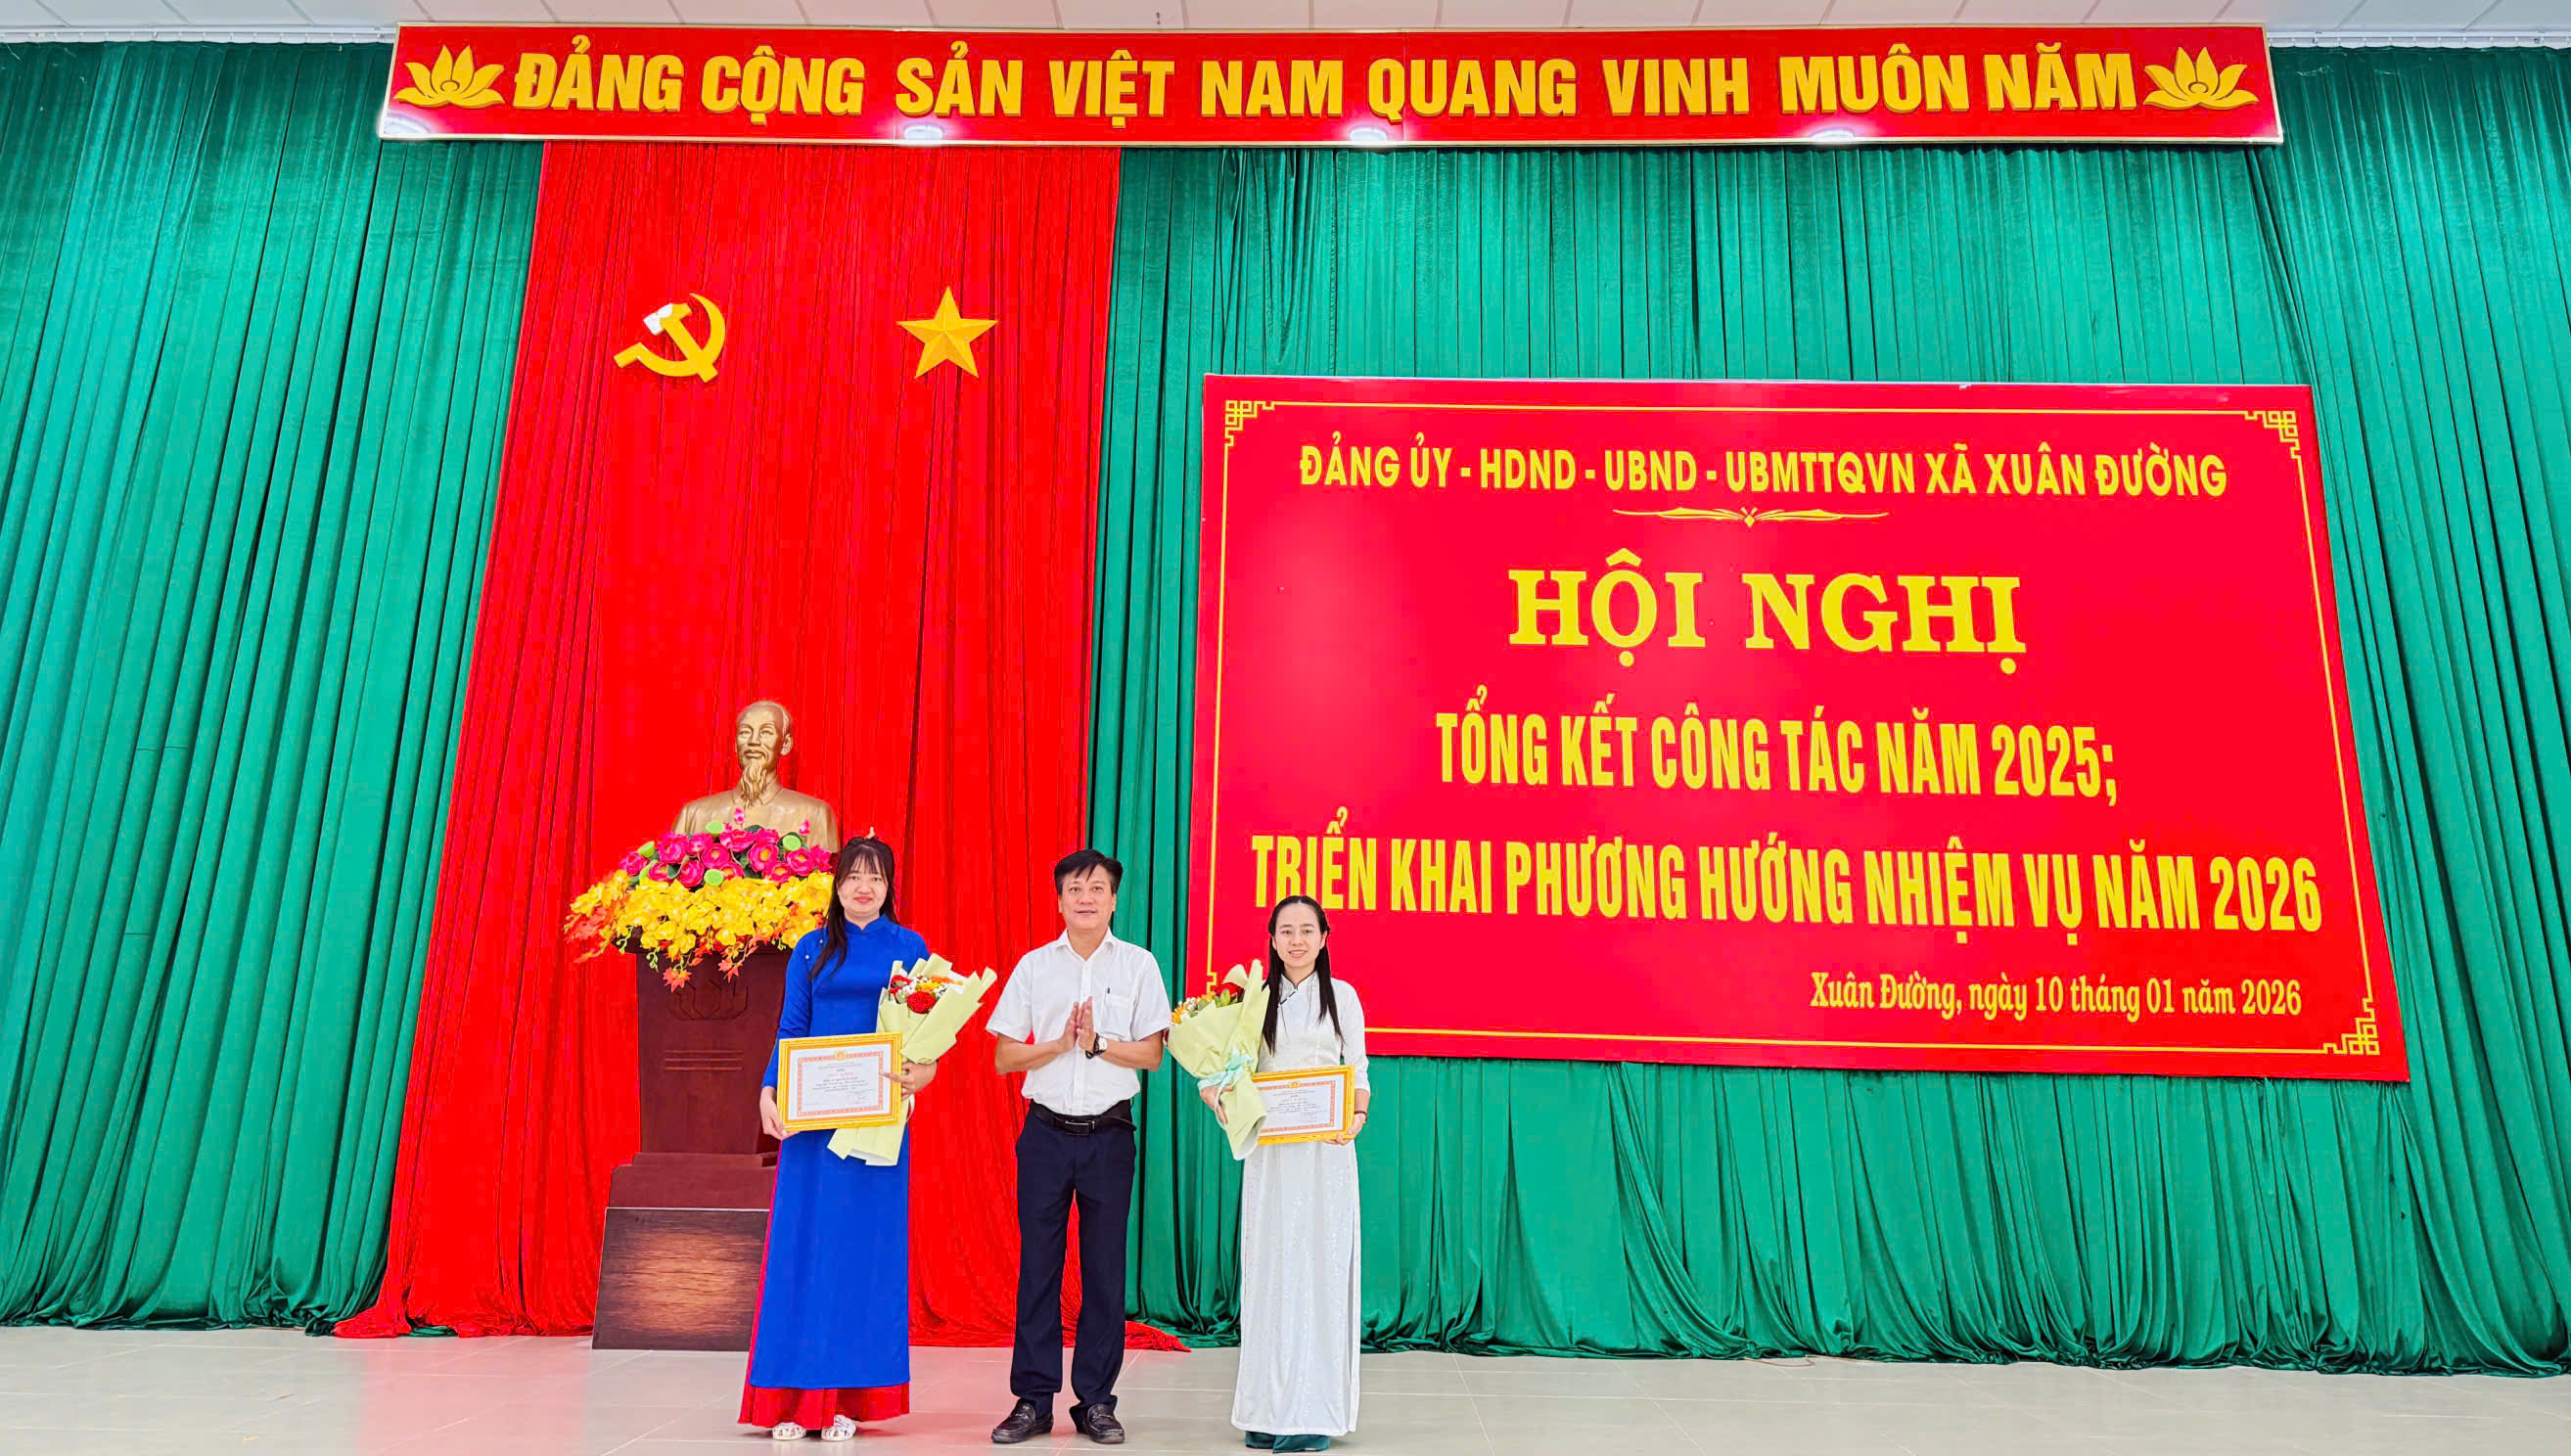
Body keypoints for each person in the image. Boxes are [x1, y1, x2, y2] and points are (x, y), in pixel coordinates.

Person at [740, 837, 940, 1442]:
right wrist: (769, 1090)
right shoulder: (811, 946)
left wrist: (923, 1070)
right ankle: (790, 1397)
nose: (864, 887)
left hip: (875, 1121)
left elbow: (924, 1034)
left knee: (860, 1251)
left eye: (875, 877)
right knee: (803, 1248)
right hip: (811, 1119)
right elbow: (791, 1026)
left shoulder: (910, 948)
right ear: (837, 883)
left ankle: (849, 1398)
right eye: (853, 876)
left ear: (889, 886)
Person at [986, 849, 1172, 1447]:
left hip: (1110, 1137)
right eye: (1074, 888)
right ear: (1060, 900)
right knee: (1038, 1269)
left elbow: (1152, 1054)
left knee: (1104, 1273)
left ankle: (1095, 1402)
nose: (1085, 898)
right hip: (1044, 1134)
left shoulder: (1139, 964)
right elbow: (1004, 1056)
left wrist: (1097, 1044)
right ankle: (1032, 1400)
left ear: (1114, 900)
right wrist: (1060, 1043)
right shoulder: (1035, 966)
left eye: (1096, 888)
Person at [1206, 895, 1370, 1453]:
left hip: (1326, 1153)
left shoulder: (1343, 997)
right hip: (1271, 1154)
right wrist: (1219, 1096)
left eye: (1306, 930)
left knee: (1321, 1270)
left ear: (1324, 937)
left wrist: (1355, 1119)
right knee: (1271, 1270)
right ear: (1272, 939)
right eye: (1286, 931)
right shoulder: (1254, 999)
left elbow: (1358, 1071)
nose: (1296, 940)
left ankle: (1312, 1411)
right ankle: (1265, 1407)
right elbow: (1226, 1070)